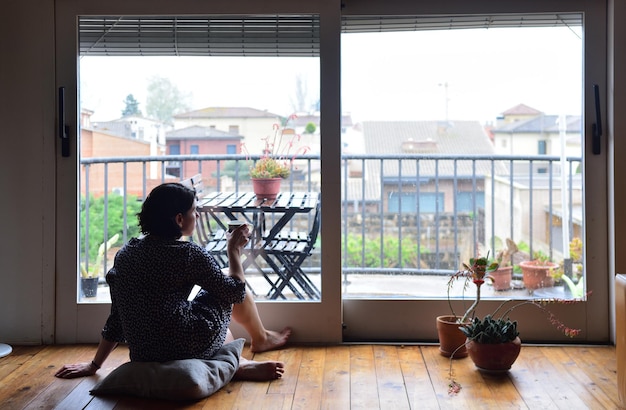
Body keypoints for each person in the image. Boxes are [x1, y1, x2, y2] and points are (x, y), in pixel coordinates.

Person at [55, 182, 291, 381]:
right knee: (228, 283)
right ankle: (244, 357)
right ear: (179, 219)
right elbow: (236, 293)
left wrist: (94, 365)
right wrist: (233, 250)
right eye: (194, 210)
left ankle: (244, 356)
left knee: (220, 325)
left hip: (144, 353)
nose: (197, 215)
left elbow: (118, 315)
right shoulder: (188, 254)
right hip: (186, 345)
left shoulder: (126, 253)